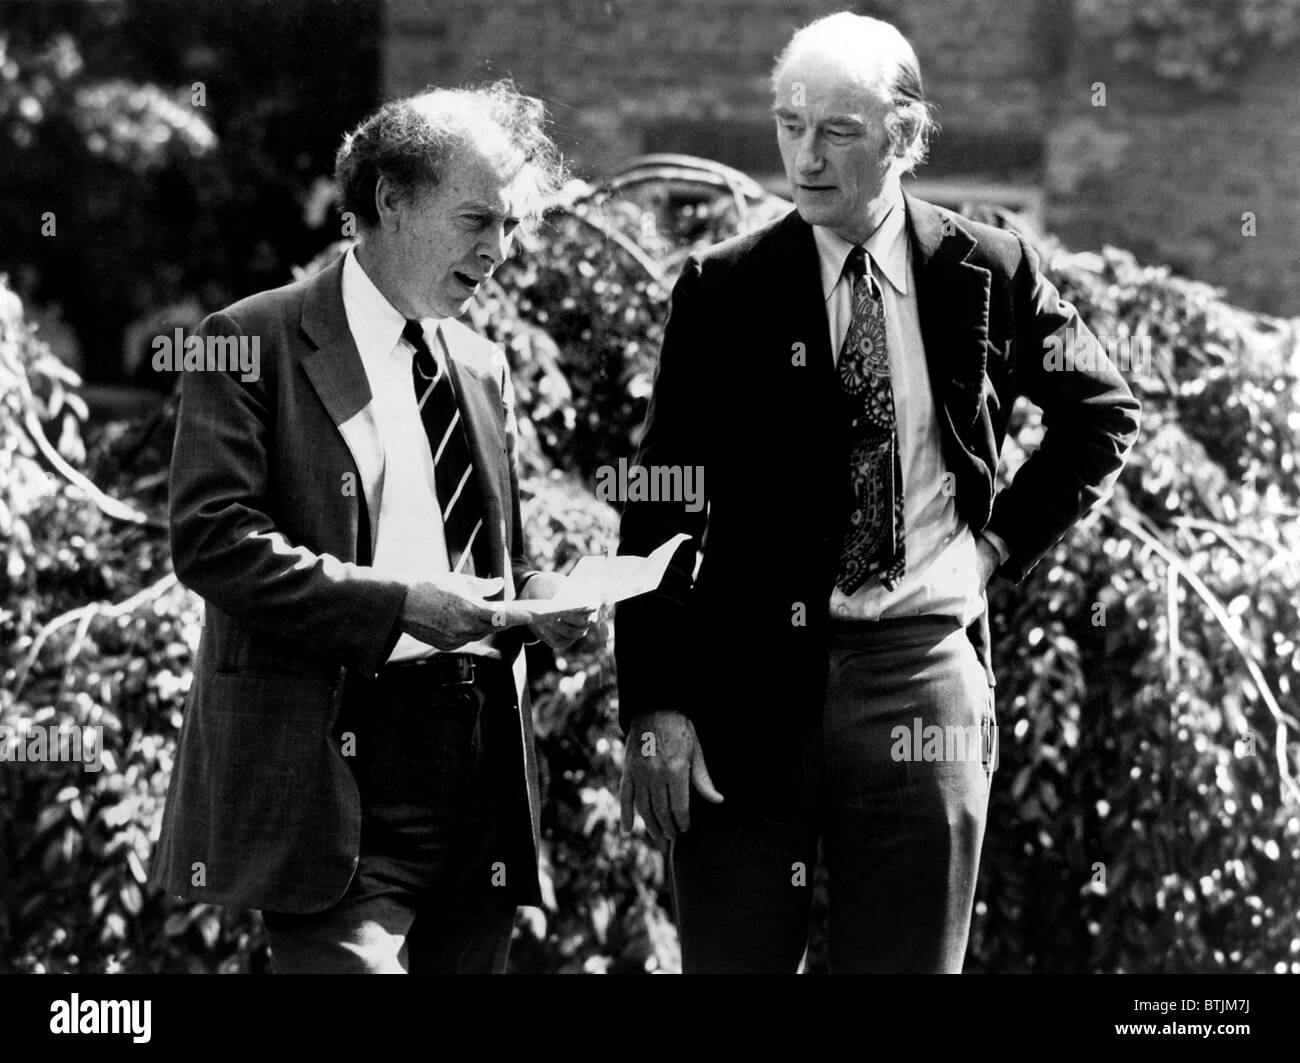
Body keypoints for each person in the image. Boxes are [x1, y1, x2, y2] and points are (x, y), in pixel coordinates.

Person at [615, 13, 1141, 973]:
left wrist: (994, 550)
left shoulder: (991, 268)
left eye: (838, 132)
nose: (804, 157)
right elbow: (656, 497)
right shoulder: (723, 290)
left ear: (904, 137)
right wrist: (653, 703)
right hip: (746, 692)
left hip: (919, 681)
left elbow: (1100, 414)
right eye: (789, 124)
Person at [150, 82, 595, 973]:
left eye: (509, 227)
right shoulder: (248, 342)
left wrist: (543, 597)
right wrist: (396, 606)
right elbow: (212, 540)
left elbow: (484, 553)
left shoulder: (481, 362)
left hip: (475, 769)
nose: (498, 252)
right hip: (335, 769)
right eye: (478, 220)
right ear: (390, 201)